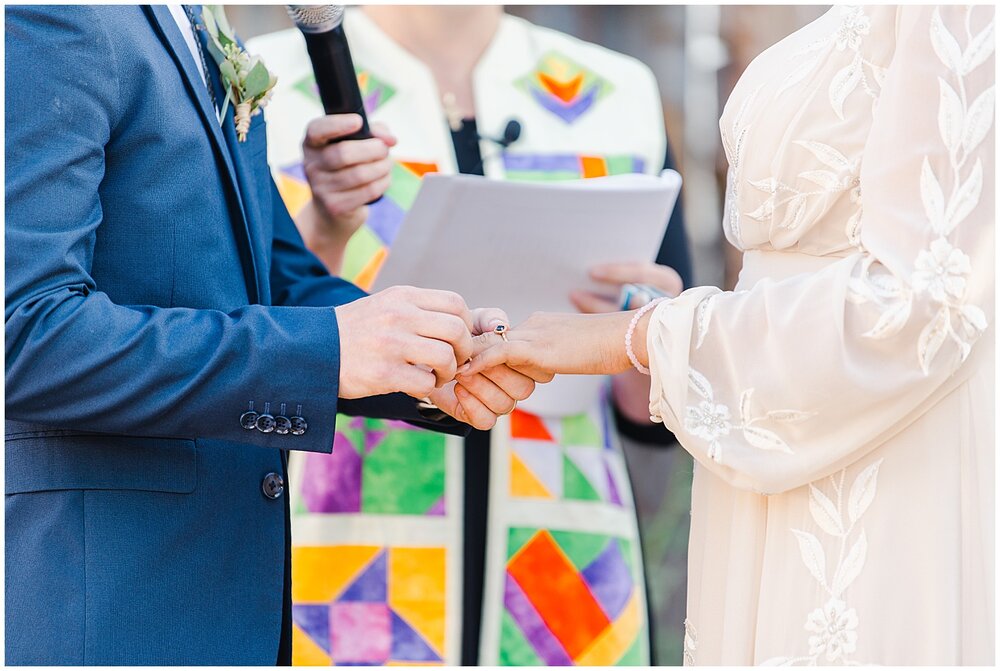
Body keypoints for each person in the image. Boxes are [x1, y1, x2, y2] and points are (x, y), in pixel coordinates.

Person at [4, 6, 535, 665]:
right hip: (107, 609)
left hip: (235, 606)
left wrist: (434, 352)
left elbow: (277, 281)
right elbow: (24, 332)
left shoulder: (197, 21)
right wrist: (329, 353)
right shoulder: (56, 16)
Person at [467, 5, 995, 665]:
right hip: (784, 447)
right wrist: (663, 322)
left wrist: (634, 335)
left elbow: (928, 301)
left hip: (878, 464)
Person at [249, 6, 692, 665]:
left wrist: (646, 327)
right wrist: (327, 225)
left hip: (567, 578)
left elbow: (649, 416)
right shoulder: (273, 84)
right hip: (349, 561)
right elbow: (248, 339)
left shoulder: (616, 91)